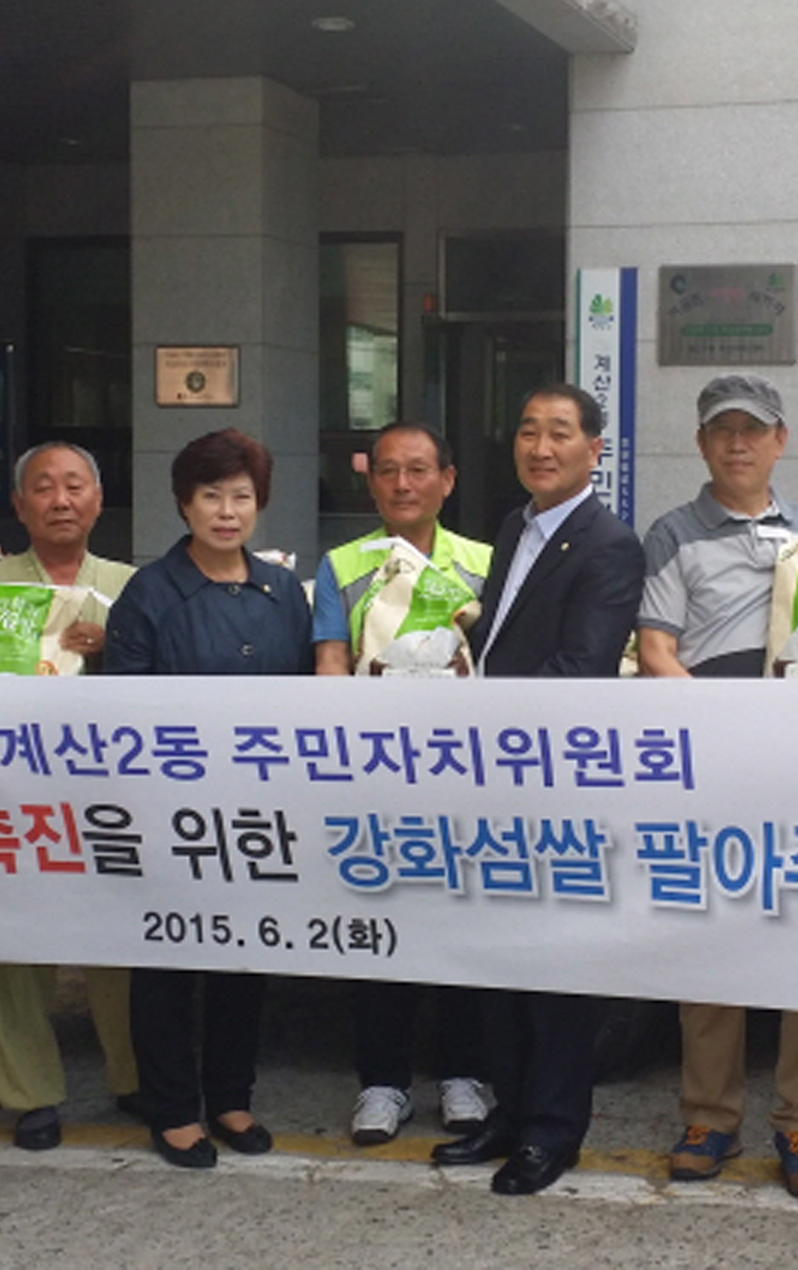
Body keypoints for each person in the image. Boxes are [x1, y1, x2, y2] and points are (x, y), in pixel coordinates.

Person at [633, 373, 798, 1200]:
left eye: (753, 429)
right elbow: (657, 649)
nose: (737, 443)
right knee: (712, 938)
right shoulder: (673, 533)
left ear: (780, 440)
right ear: (701, 443)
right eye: (722, 430)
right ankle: (709, 1116)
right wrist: (720, 734)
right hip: (713, 759)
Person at [431, 384, 643, 1196]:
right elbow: (500, 644)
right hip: (492, 779)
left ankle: (553, 1130)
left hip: (553, 783)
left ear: (595, 448)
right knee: (499, 956)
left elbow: (581, 669)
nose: (540, 447)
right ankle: (510, 1111)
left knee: (555, 967)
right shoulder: (515, 526)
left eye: (559, 433)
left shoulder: (609, 543)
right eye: (528, 431)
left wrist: (483, 711)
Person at [105, 428, 313, 1168]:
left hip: (259, 809)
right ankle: (171, 1107)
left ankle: (230, 1096)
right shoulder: (149, 593)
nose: (227, 512)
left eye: (242, 497)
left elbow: (306, 701)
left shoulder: (284, 592)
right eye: (211, 496)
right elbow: (124, 708)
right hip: (173, 808)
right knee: (166, 956)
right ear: (183, 503)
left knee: (243, 957)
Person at [0, 441, 141, 1152]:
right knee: (13, 949)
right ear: (20, 506)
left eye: (75, 485)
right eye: (43, 488)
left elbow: (165, 685)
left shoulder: (131, 585)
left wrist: (112, 647)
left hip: (105, 795)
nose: (60, 500)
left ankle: (134, 1077)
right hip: (9, 796)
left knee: (122, 942)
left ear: (98, 500)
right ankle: (30, 1094)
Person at [313, 422, 493, 1145]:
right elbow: (331, 660)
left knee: (462, 926)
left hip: (462, 776)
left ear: (447, 480)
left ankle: (464, 1074)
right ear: (371, 481)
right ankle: (382, 1083)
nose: (402, 484)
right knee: (378, 927)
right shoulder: (343, 564)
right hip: (376, 775)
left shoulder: (483, 562)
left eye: (418, 470)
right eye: (387, 470)